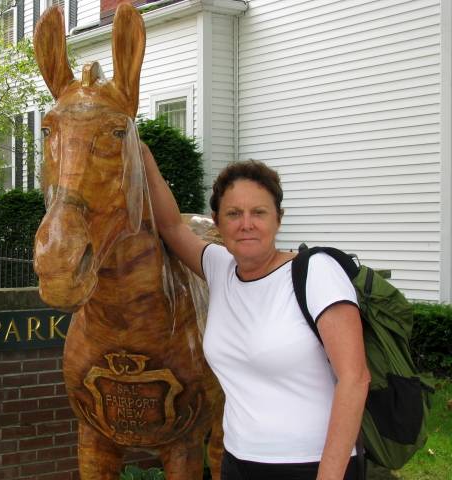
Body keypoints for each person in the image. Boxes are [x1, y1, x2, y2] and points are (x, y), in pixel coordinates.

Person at [141, 144, 370, 480]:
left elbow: (355, 378)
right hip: (237, 462)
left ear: (278, 218)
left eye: (258, 213)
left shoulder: (316, 273)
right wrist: (142, 152)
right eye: (233, 214)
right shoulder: (219, 269)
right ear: (217, 222)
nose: (246, 224)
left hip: (311, 466)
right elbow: (172, 226)